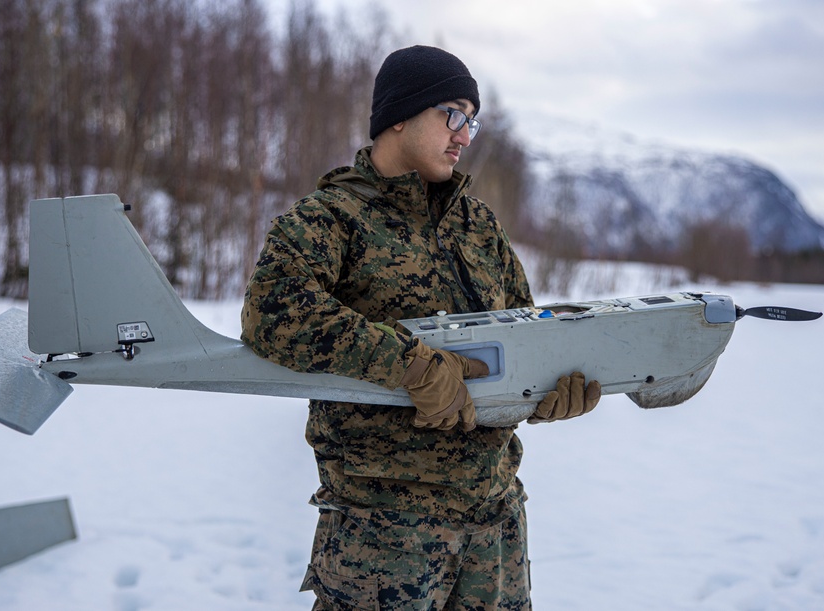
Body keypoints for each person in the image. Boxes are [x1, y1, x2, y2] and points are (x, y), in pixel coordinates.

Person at [242, 45, 600, 610]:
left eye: (471, 121)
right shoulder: (331, 217)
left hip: (495, 521)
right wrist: (408, 362)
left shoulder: (478, 226)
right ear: (399, 116)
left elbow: (525, 330)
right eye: (452, 114)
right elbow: (274, 313)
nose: (464, 135)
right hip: (384, 531)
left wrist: (545, 390)